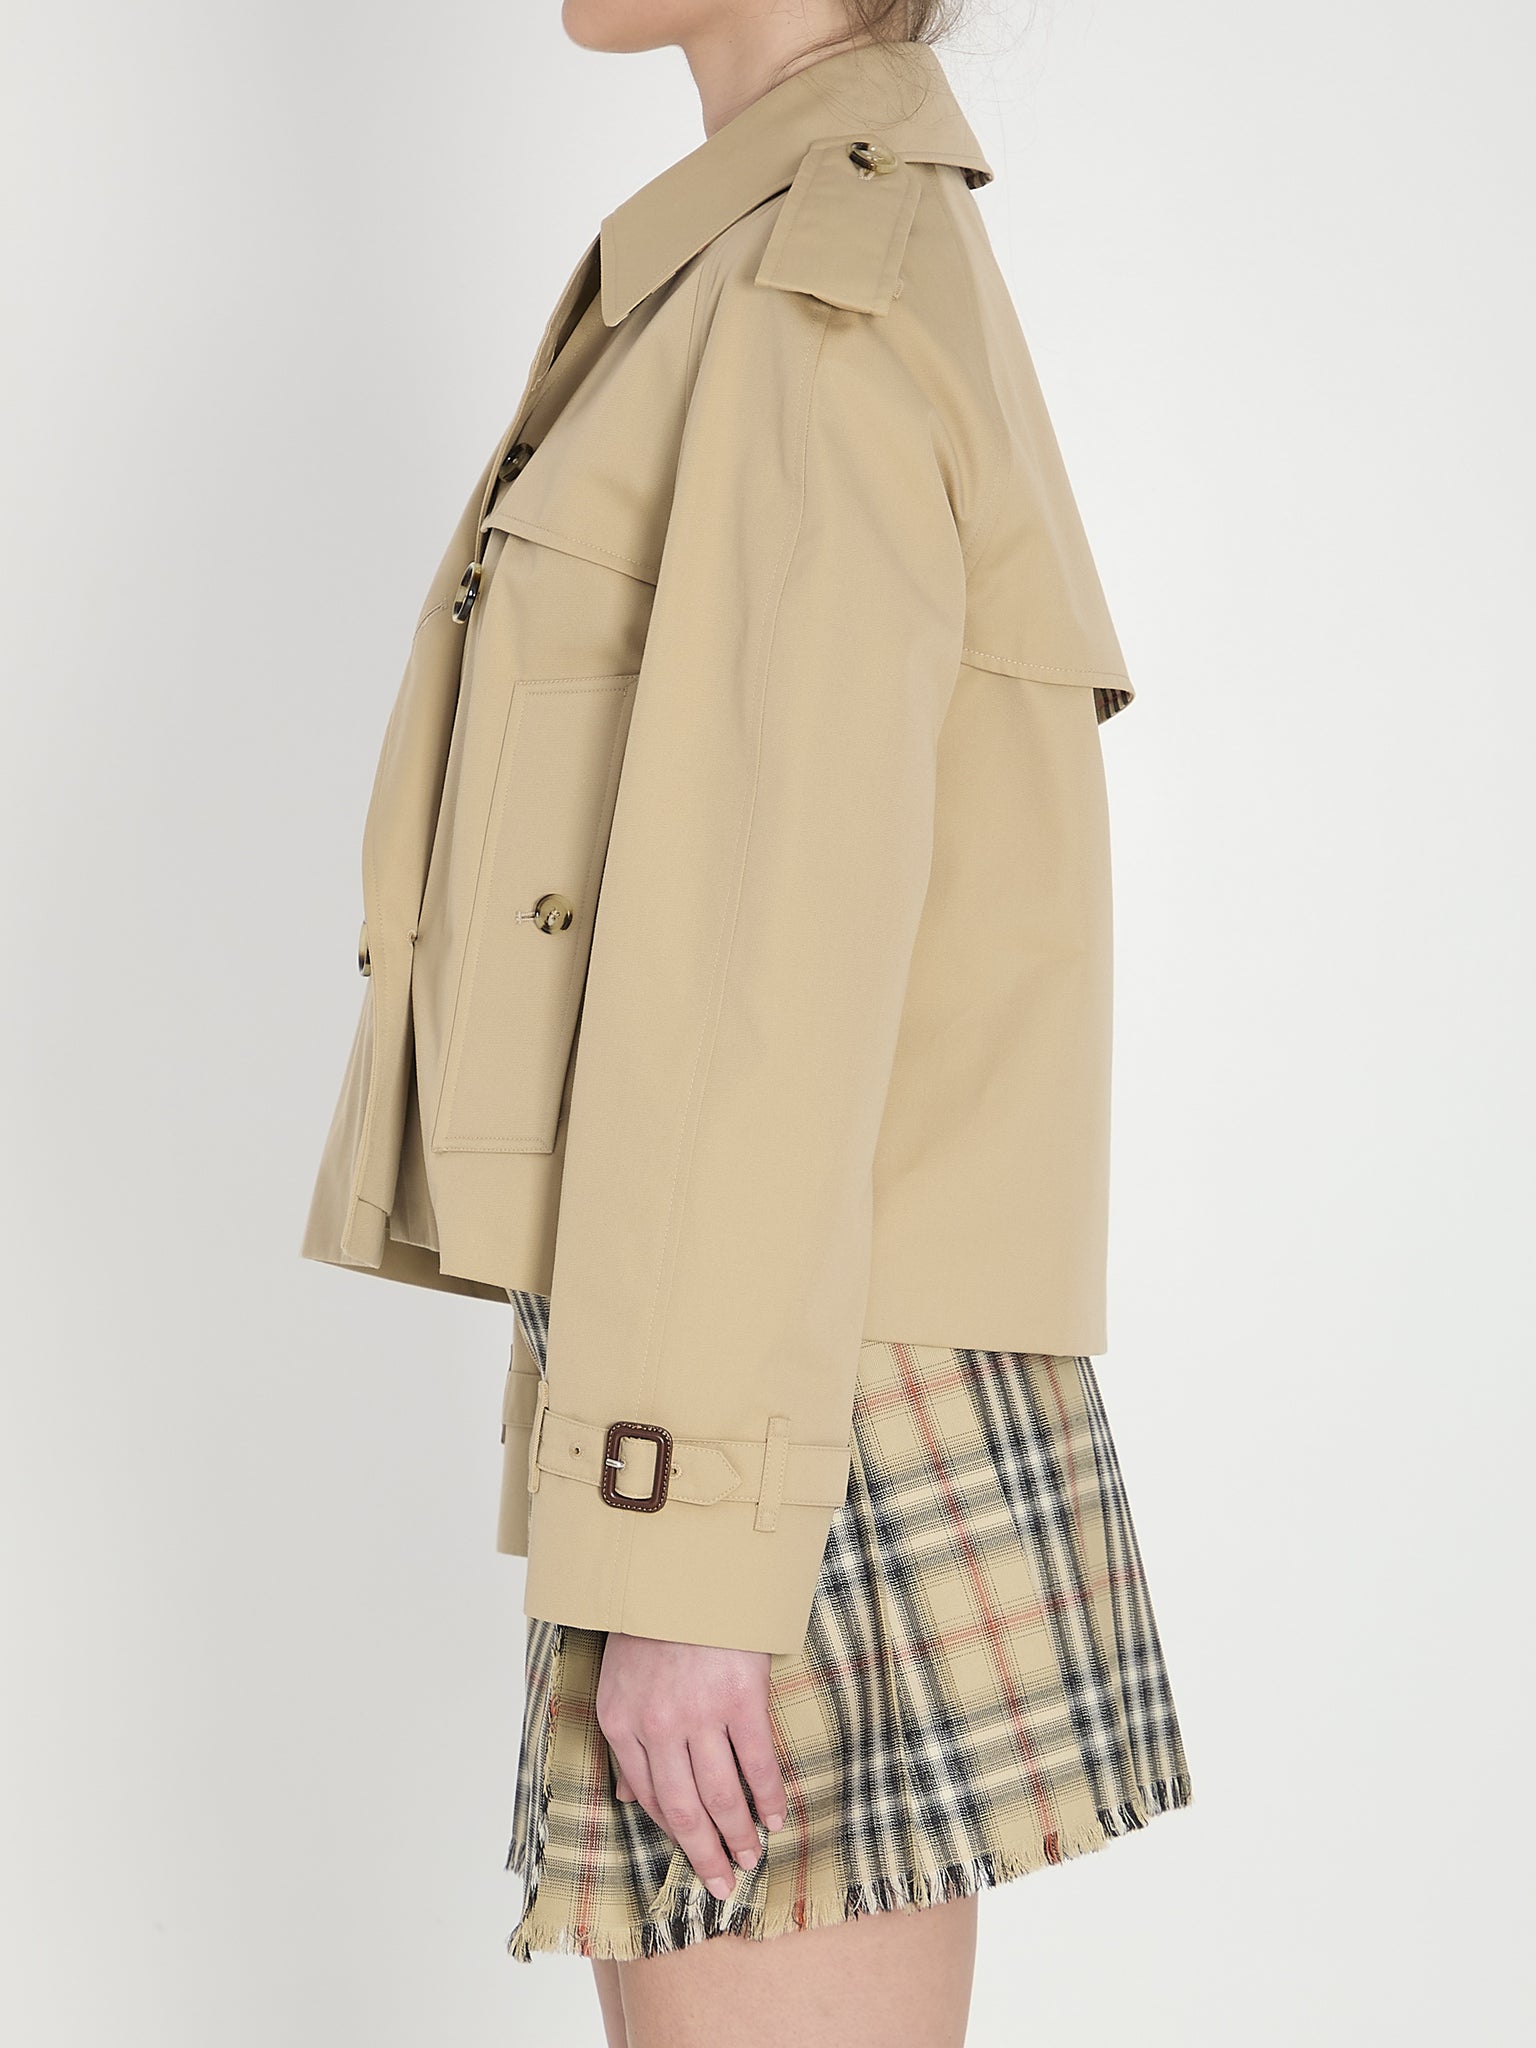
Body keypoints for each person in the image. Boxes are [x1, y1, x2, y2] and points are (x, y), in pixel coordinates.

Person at [301, 4, 1194, 2043]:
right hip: (763, 1351)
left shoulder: (812, 297)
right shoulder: (767, 254)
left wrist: (691, 1545)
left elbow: (763, 967)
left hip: (785, 1390)